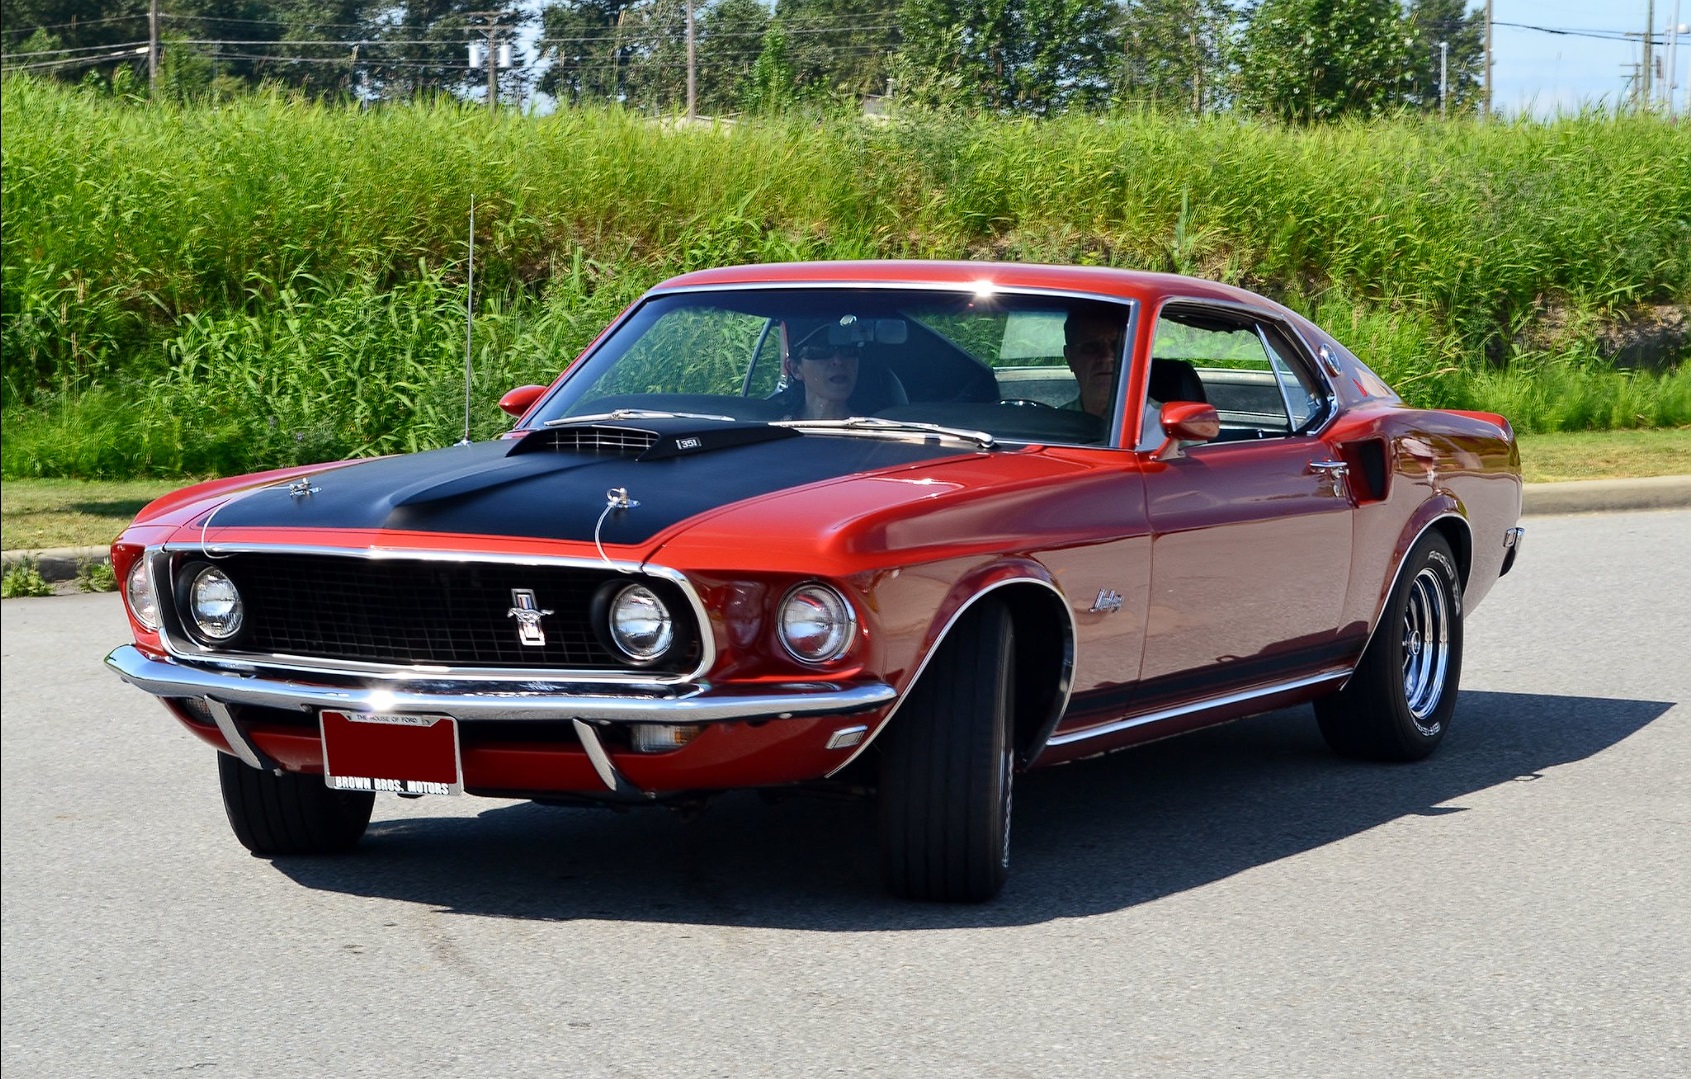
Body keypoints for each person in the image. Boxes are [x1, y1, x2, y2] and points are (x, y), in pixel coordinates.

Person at [783, 340, 860, 420]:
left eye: (849, 350)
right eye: (821, 351)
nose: (838, 361)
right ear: (795, 369)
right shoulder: (777, 428)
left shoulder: (871, 429)